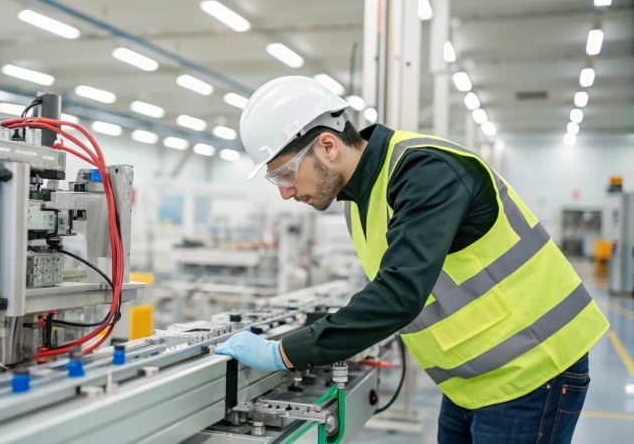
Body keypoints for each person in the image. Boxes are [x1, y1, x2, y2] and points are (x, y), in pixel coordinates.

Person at [214, 76, 609, 444]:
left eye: (284, 175)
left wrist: (282, 353)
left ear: (328, 146)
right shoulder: (360, 200)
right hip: (470, 381)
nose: (284, 193)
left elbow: (399, 294)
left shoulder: (426, 170)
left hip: (533, 369)